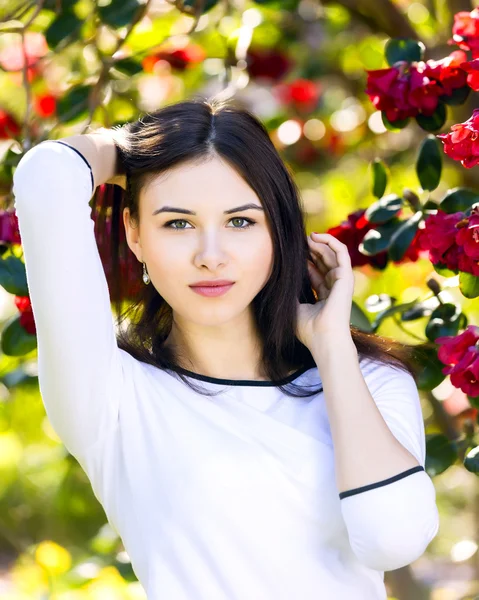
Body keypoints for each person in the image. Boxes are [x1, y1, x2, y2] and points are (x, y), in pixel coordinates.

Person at [12, 96, 439, 599]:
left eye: (240, 222)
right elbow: (47, 178)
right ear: (134, 233)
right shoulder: (113, 398)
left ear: (277, 233)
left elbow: (393, 539)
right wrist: (135, 150)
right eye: (177, 223)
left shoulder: (369, 381)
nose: (210, 257)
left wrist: (331, 349)